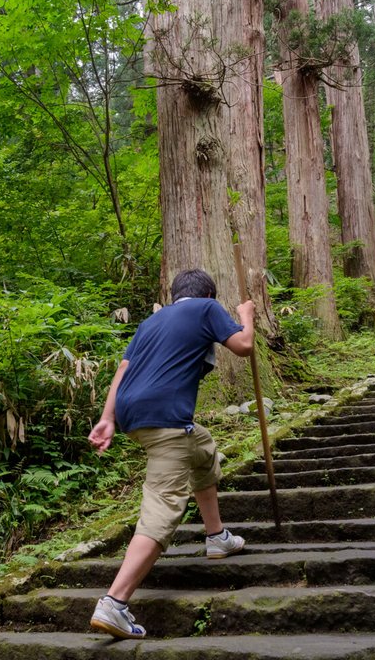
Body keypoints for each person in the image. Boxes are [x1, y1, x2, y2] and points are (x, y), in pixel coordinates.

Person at [86, 268, 256, 639]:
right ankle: (114, 603)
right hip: (166, 418)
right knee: (162, 508)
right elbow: (243, 346)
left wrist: (107, 418)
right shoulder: (206, 309)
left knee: (202, 449)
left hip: (135, 415)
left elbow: (123, 369)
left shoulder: (152, 321)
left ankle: (216, 537)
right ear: (208, 294)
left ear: (174, 293)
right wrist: (246, 316)